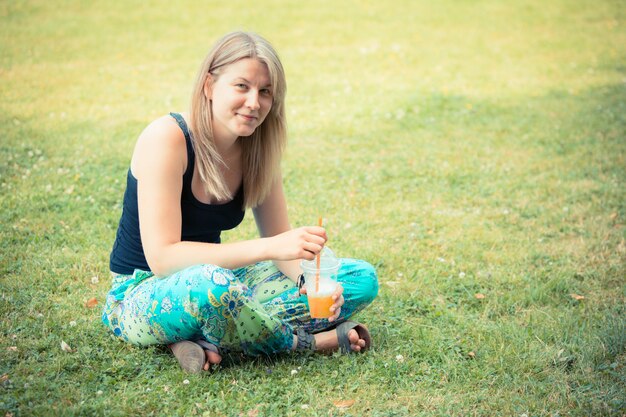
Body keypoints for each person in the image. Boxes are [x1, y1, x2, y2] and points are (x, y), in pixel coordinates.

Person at [102, 31, 379, 373]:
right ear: (208, 86)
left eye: (265, 92)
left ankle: (203, 338)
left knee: (358, 277)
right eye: (242, 86)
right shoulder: (167, 138)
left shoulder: (258, 149)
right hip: (141, 293)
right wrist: (269, 247)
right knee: (212, 287)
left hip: (220, 281)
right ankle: (305, 343)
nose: (254, 102)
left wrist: (311, 284)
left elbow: (283, 247)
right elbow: (163, 259)